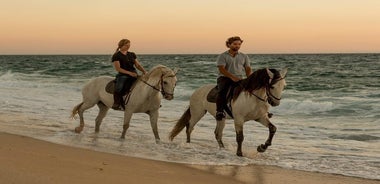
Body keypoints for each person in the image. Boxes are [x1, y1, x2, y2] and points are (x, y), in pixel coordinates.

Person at [215, 36, 252, 120]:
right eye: (235, 44)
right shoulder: (223, 56)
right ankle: (219, 111)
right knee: (222, 92)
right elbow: (221, 69)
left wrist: (250, 78)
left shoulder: (244, 56)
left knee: (253, 90)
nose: (237, 46)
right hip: (224, 78)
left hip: (239, 78)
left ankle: (260, 111)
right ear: (229, 44)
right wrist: (232, 77)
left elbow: (247, 68)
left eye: (239, 44)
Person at [111, 39, 147, 110]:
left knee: (146, 84)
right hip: (123, 75)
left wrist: (144, 71)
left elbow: (137, 65)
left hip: (134, 73)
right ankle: (116, 103)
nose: (128, 46)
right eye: (126, 45)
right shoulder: (116, 55)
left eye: (129, 45)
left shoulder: (132, 54)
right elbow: (118, 69)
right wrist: (129, 73)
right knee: (119, 88)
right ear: (121, 45)